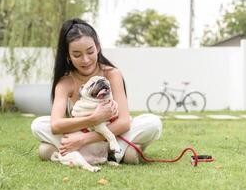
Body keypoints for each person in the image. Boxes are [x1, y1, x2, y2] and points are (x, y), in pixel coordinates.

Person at [31, 18, 162, 164]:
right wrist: (94, 119)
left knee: (153, 123)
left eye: (90, 51)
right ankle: (121, 153)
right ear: (68, 55)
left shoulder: (112, 74)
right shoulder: (65, 83)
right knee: (38, 125)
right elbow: (56, 125)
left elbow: (124, 122)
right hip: (83, 136)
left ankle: (95, 151)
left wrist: (83, 139)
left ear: (98, 47)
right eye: (77, 55)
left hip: (110, 135)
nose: (85, 60)